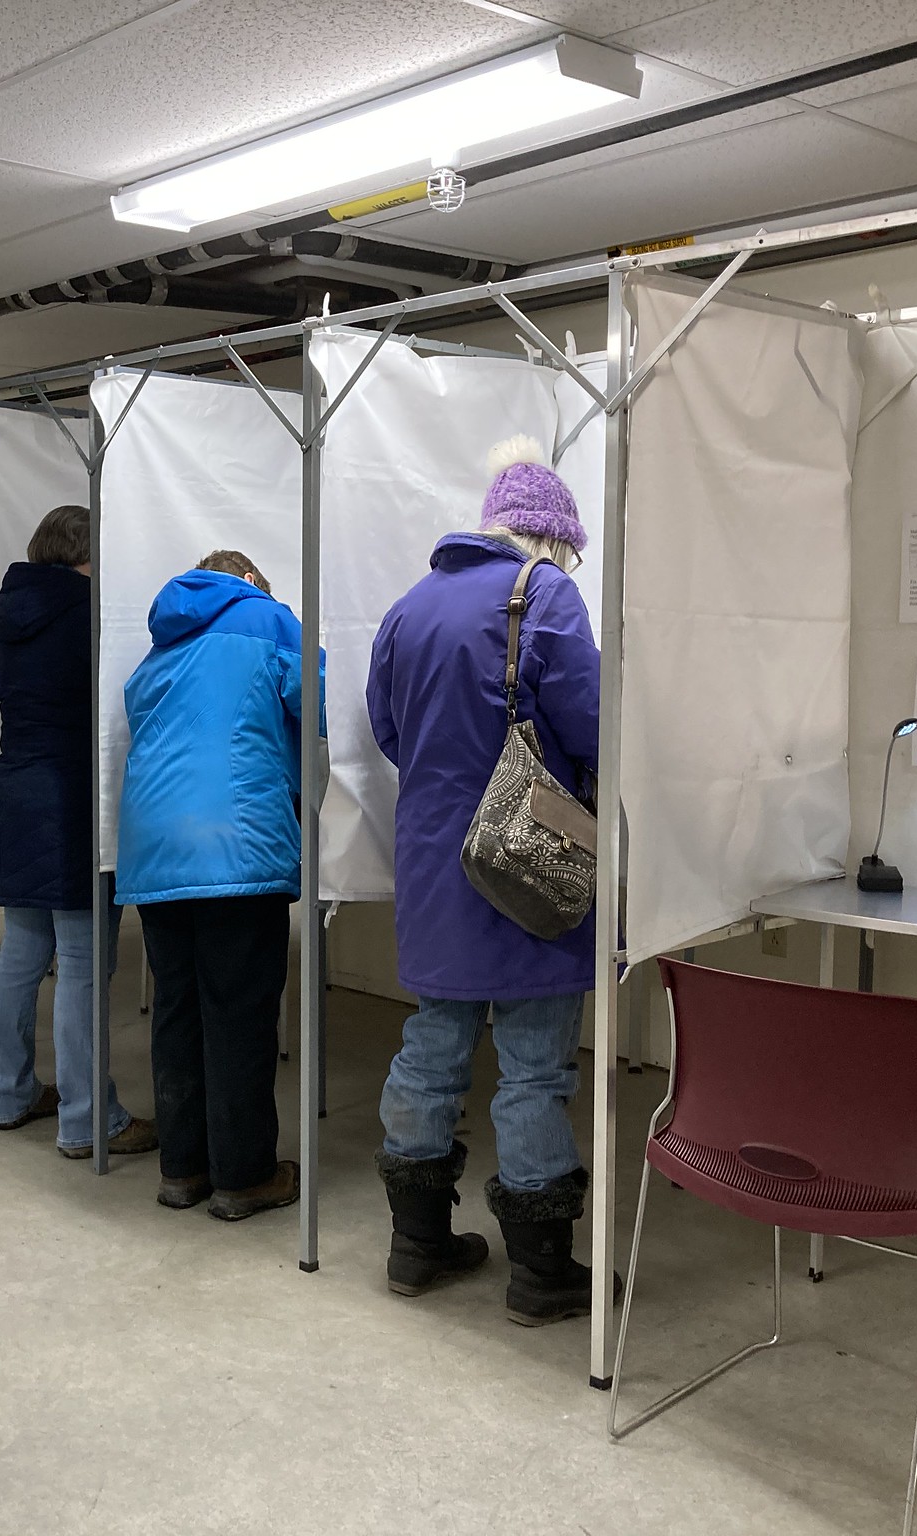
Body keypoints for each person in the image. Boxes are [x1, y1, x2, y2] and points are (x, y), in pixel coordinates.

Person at [366, 435, 602, 1324]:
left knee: (431, 1052)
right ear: (551, 538)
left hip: (436, 864)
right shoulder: (544, 594)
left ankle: (416, 1245)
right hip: (527, 861)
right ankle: (542, 1274)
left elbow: (388, 732)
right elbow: (589, 724)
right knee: (534, 1069)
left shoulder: (407, 606)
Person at [118, 550, 321, 1221]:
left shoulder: (159, 650)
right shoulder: (266, 618)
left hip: (154, 848)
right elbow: (314, 700)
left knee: (177, 1006)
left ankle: (183, 1169)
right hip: (235, 843)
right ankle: (243, 1176)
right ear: (252, 582)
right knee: (238, 1010)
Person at [0, 505, 154, 1159]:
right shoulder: (89, 614)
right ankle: (87, 1119)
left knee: (21, 954)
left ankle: (8, 1093)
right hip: (68, 794)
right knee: (82, 965)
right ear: (88, 554)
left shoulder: (15, 611)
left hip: (14, 788)